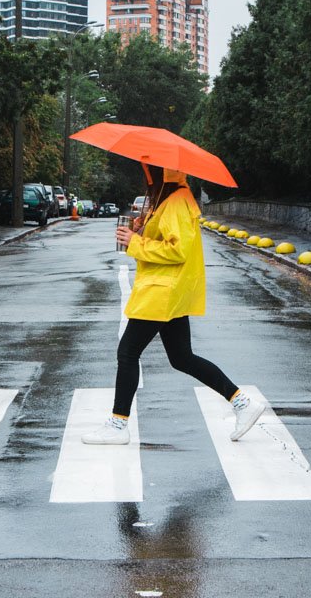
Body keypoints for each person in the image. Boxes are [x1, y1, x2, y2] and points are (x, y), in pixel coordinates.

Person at [82, 164, 265, 445]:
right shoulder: (169, 201)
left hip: (162, 292)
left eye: (148, 173)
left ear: (161, 174)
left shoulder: (177, 202)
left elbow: (176, 250)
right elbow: (166, 241)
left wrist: (135, 242)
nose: (145, 179)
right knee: (182, 358)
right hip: (167, 289)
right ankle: (242, 402)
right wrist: (141, 231)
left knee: (128, 352)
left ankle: (118, 425)